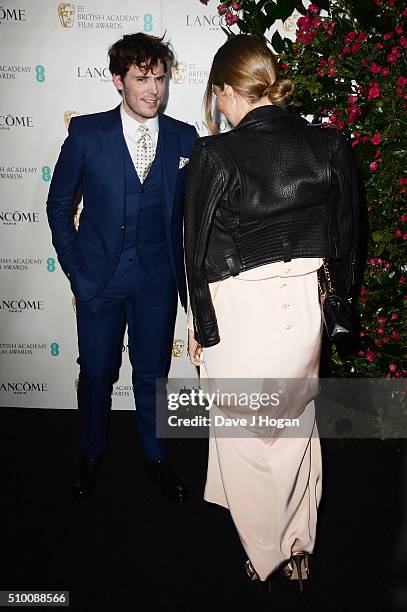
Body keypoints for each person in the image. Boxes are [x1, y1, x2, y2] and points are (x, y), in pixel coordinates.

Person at [184, 34, 359, 587]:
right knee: (294, 426)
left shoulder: (215, 154)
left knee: (244, 438)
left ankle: (265, 553)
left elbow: (194, 250)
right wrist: (339, 303)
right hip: (303, 306)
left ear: (225, 92)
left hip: (240, 310)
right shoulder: (329, 143)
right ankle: (299, 543)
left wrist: (201, 325)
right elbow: (349, 237)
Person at [47, 32, 198, 502]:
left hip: (157, 279)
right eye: (141, 79)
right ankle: (90, 452)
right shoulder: (87, 133)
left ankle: (156, 457)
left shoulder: (183, 137)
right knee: (95, 370)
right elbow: (58, 205)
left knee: (152, 373)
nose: (153, 90)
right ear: (117, 80)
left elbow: (192, 216)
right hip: (100, 280)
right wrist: (77, 268)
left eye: (159, 78)